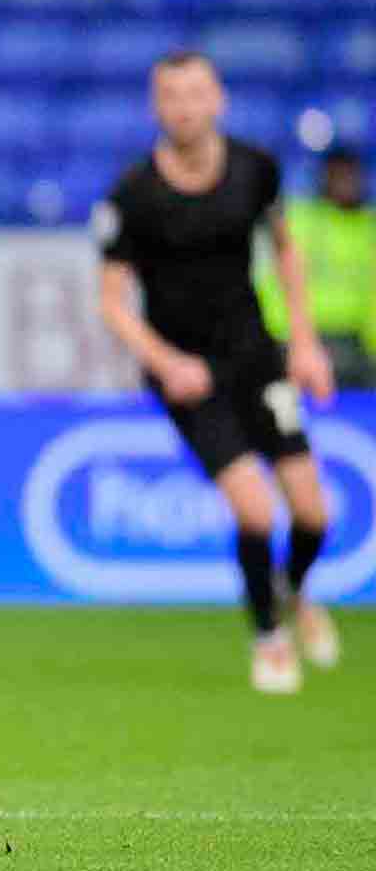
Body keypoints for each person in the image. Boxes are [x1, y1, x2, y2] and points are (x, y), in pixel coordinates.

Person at [97, 50, 342, 695]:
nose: (184, 107)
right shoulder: (133, 194)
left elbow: (286, 254)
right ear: (157, 107)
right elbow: (111, 303)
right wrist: (166, 361)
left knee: (313, 514)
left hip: (257, 356)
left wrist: (306, 342)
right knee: (257, 513)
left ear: (218, 100)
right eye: (171, 96)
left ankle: (293, 588)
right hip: (188, 375)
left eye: (196, 93)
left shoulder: (257, 169)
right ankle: (269, 636)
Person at [257, 146, 376, 388]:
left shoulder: (369, 227)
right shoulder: (294, 217)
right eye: (337, 174)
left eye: (350, 175)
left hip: (351, 340)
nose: (345, 183)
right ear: (323, 177)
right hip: (287, 336)